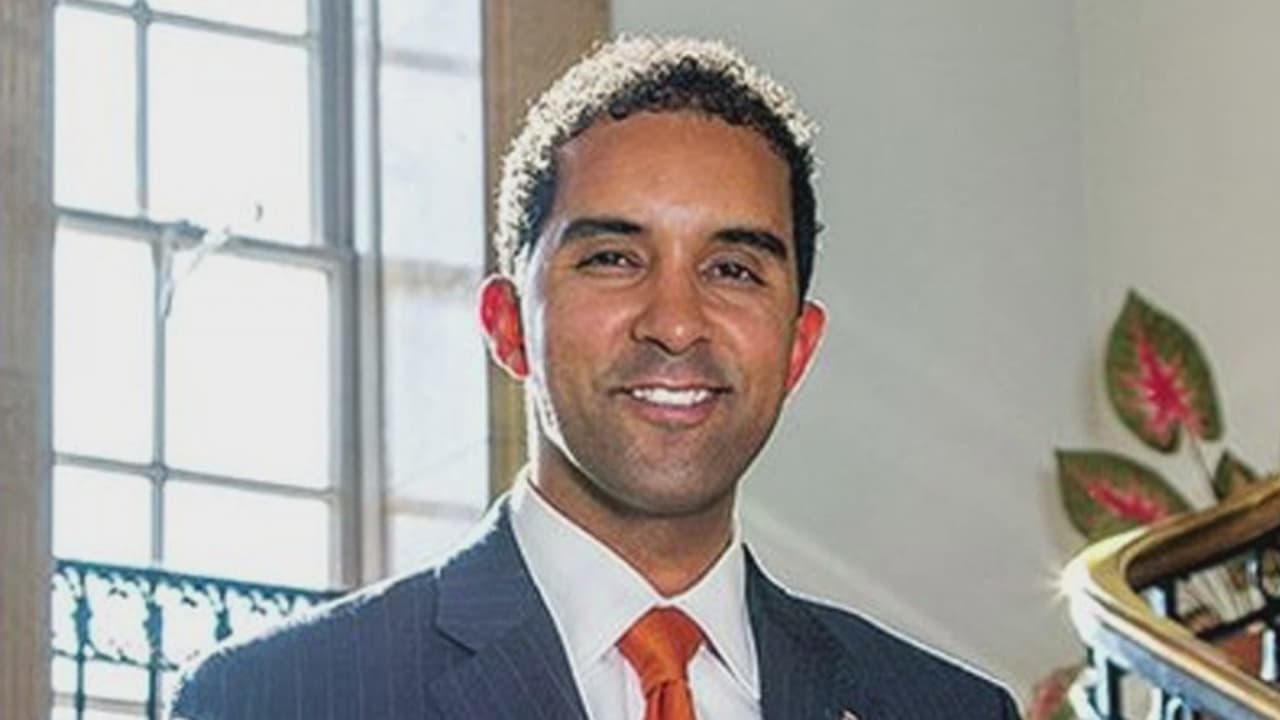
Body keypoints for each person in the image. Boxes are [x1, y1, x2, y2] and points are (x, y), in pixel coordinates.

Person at [170, 35, 1019, 719]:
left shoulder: (943, 709)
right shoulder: (279, 698)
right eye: (613, 258)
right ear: (509, 327)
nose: (675, 323)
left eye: (732, 269)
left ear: (797, 348)